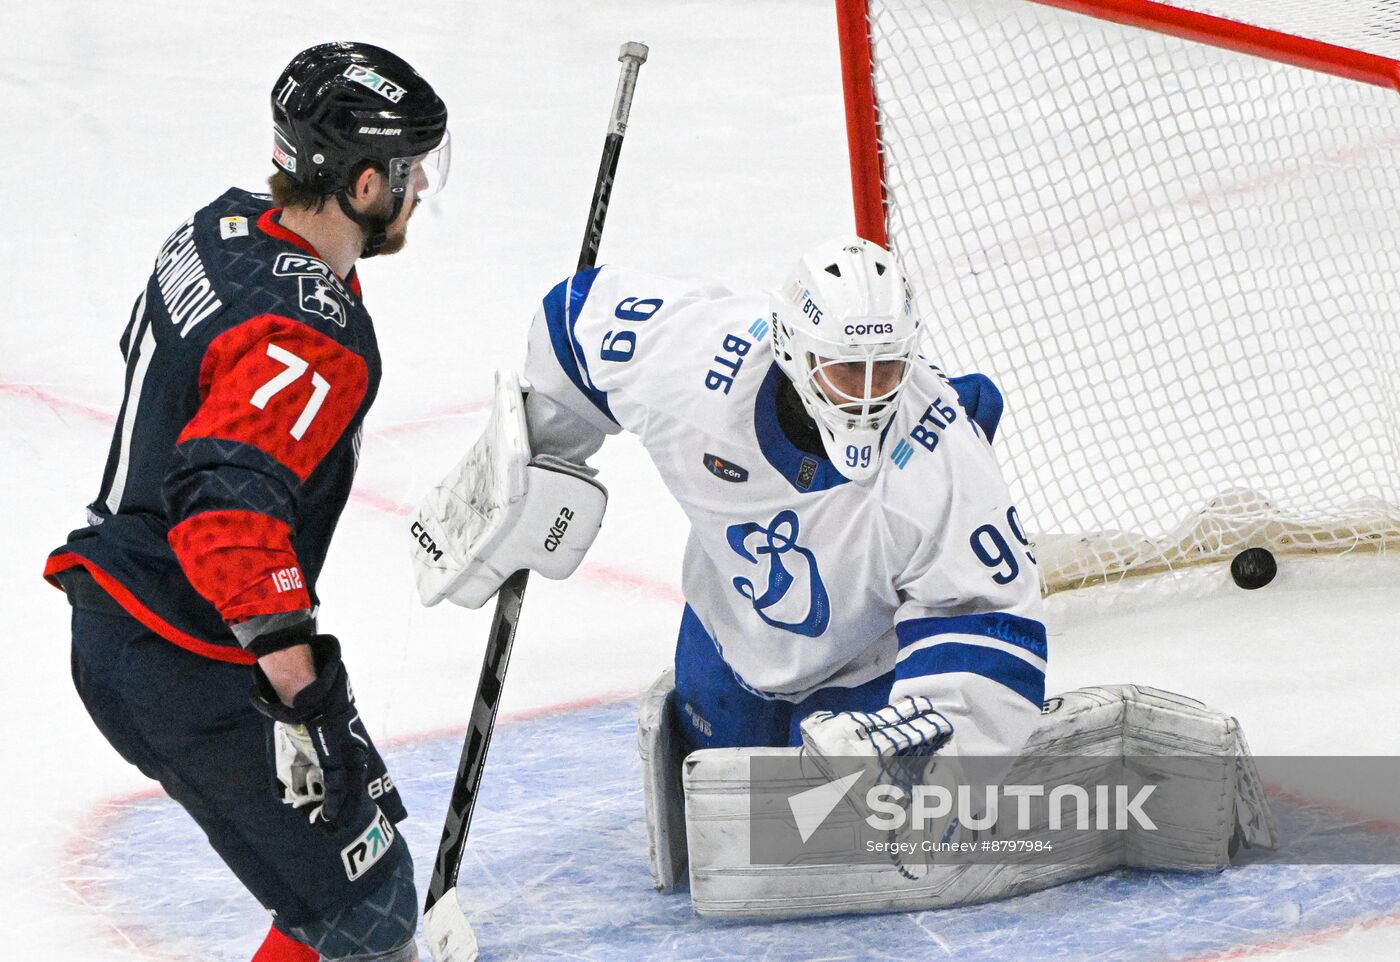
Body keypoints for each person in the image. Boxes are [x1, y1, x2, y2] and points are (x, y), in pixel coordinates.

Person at [44, 42, 449, 962]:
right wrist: (300, 694)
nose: (422, 186)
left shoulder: (217, 230)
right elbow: (225, 509)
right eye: (412, 168)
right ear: (365, 184)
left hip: (135, 617)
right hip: (185, 655)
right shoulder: (309, 334)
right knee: (362, 915)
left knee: (356, 882)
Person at [519, 236, 1046, 769]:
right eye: (845, 370)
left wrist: (924, 741)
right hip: (724, 643)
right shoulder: (698, 364)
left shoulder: (943, 460)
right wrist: (539, 453)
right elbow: (577, 318)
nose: (867, 396)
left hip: (866, 673)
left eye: (884, 368)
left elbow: (990, 624)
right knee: (721, 827)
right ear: (793, 346)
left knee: (834, 839)